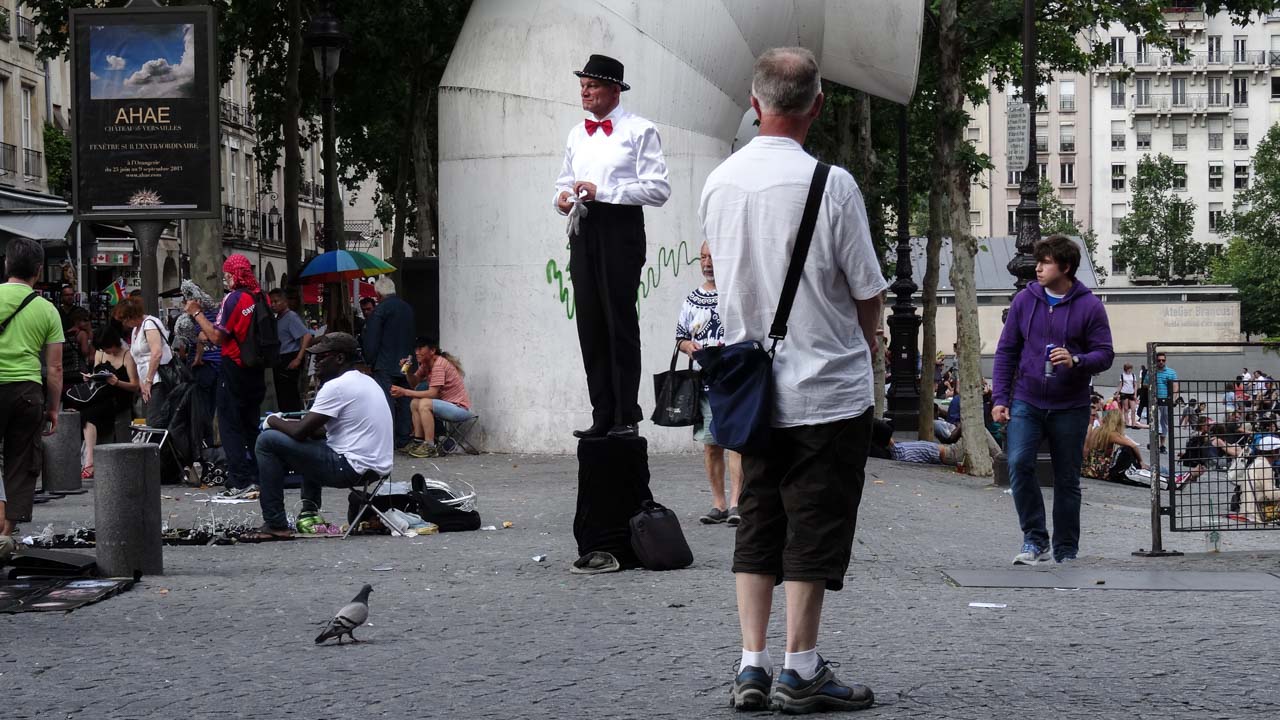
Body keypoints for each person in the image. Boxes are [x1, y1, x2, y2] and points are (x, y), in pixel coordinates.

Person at [701, 47, 885, 713]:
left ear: (754, 104)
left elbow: (722, 275)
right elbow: (866, 290)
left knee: (757, 518)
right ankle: (799, 668)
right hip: (826, 386)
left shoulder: (718, 182)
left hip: (749, 389)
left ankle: (751, 665)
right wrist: (868, 345)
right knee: (814, 524)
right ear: (818, 105)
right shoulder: (832, 185)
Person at [555, 53, 670, 439]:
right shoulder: (576, 133)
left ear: (615, 90)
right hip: (583, 226)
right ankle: (602, 412)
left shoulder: (640, 130)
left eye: (592, 85)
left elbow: (658, 189)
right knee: (589, 321)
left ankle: (626, 414)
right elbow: (563, 181)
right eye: (582, 86)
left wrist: (604, 191)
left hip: (620, 228)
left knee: (618, 320)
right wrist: (561, 199)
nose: (584, 92)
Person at [992, 233, 1115, 565]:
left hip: (1070, 405)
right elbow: (1006, 351)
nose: (1038, 268)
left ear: (1066, 267)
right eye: (1038, 262)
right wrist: (1000, 397)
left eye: (1045, 263)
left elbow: (1105, 354)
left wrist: (1076, 360)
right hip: (1027, 400)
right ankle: (1035, 539)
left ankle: (1065, 549)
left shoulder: (1089, 306)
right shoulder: (1025, 301)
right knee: (1019, 463)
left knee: (1067, 479)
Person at [249, 333, 393, 540]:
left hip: (350, 468)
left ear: (340, 358)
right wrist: (287, 423)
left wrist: (272, 421)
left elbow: (300, 432)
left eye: (321, 358)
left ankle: (275, 524)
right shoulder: (367, 381)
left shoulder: (337, 387)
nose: (315, 364)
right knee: (311, 441)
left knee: (267, 441)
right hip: (377, 469)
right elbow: (317, 431)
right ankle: (309, 513)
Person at [184, 254, 267, 498]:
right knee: (251, 425)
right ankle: (259, 476)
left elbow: (217, 336)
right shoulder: (259, 296)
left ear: (234, 275)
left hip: (234, 366)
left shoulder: (234, 298)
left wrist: (196, 313)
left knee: (229, 425)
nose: (226, 279)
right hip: (256, 368)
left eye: (228, 274)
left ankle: (239, 481)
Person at [674, 241, 743, 525]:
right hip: (704, 384)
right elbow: (680, 337)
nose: (707, 263)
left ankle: (737, 503)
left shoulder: (735, 294)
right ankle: (718, 504)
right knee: (711, 445)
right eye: (703, 257)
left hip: (733, 382)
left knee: (736, 444)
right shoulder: (692, 299)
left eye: (712, 257)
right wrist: (688, 346)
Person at [0, 238, 64, 534]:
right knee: (22, 459)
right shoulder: (47, 310)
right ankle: (6, 531)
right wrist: (53, 408)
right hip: (27, 392)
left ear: (6, 265)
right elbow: (55, 368)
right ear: (39, 270)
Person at [65, 320, 140, 479]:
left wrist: (117, 382)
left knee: (90, 413)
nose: (106, 352)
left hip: (118, 396)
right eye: (103, 349)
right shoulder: (100, 353)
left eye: (108, 348)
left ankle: (89, 461)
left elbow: (135, 386)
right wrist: (90, 377)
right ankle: (89, 460)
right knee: (86, 411)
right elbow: (96, 375)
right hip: (101, 394)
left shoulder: (127, 356)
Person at [391, 337, 472, 458]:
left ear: (432, 350)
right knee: (415, 403)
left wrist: (404, 392)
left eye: (420, 349)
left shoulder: (439, 365)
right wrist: (408, 371)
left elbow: (432, 394)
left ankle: (430, 446)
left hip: (459, 409)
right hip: (446, 406)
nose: (417, 352)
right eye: (416, 349)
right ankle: (418, 441)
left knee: (424, 403)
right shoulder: (426, 365)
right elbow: (414, 383)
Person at [362, 275, 415, 451]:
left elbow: (372, 339)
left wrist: (370, 361)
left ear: (378, 294)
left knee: (386, 401)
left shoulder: (380, 310)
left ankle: (388, 439)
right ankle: (404, 437)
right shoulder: (407, 308)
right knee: (405, 398)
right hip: (405, 362)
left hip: (385, 362)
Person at [113, 296, 174, 426]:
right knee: (153, 419)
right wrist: (143, 382)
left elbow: (156, 353)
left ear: (132, 316)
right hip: (147, 380)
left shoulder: (149, 324)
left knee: (155, 420)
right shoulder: (136, 330)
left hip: (158, 378)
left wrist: (148, 380)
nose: (124, 323)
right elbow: (138, 359)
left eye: (125, 319)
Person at [269, 288, 312, 412]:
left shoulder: (291, 316)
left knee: (289, 395)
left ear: (284, 301)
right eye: (271, 302)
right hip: (280, 358)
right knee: (282, 395)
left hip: (289, 357)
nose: (273, 305)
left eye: (276, 301)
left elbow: (307, 336)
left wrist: (298, 358)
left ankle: (293, 419)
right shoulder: (279, 318)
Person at [1081, 411, 1147, 485]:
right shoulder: (1111, 434)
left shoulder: (1097, 429)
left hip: (1090, 467)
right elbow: (1133, 445)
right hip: (1101, 469)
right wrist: (1141, 461)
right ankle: (1135, 468)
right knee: (1127, 449)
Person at [1153, 352, 1179, 455]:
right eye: (1159, 360)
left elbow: (1175, 386)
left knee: (1163, 423)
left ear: (1165, 361)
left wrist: (1173, 399)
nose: (1161, 362)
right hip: (1154, 402)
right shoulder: (1152, 372)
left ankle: (1162, 445)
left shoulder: (1171, 372)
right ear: (1156, 361)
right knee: (1154, 423)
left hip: (1165, 401)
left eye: (1163, 360)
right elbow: (1145, 384)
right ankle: (1154, 442)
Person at [1118, 363, 1141, 428]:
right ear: (1126, 369)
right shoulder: (1122, 375)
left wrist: (1135, 394)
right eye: (1129, 368)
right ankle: (1127, 423)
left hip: (1131, 393)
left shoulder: (1133, 375)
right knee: (1126, 409)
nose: (1130, 369)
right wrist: (1117, 393)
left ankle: (1133, 424)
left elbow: (1135, 385)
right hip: (1124, 392)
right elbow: (1120, 385)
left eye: (1130, 368)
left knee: (1133, 409)